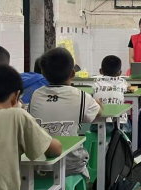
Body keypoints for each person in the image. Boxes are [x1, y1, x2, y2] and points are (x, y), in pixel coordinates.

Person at [28, 48, 102, 178]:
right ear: (73, 73)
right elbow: (98, 113)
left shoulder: (36, 95)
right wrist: (97, 103)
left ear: (43, 74)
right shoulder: (82, 96)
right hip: (71, 164)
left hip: (38, 164)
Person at [92, 55, 130, 132]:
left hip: (97, 125)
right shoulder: (122, 82)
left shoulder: (96, 83)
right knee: (129, 124)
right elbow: (129, 86)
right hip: (119, 125)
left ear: (101, 71)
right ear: (120, 73)